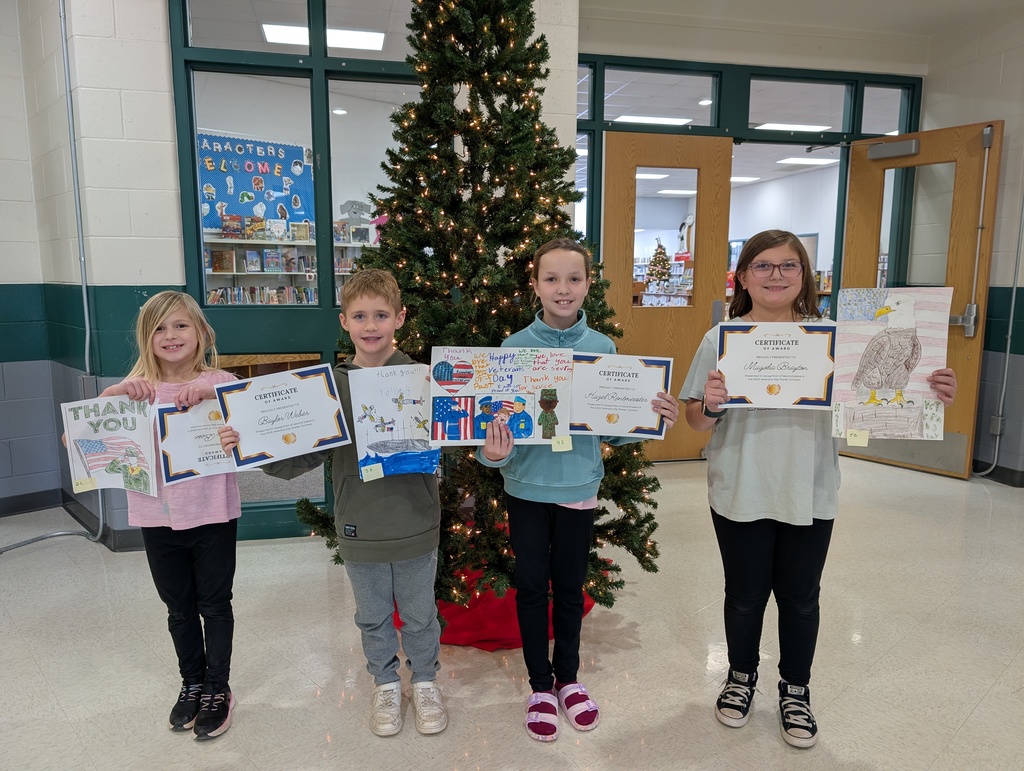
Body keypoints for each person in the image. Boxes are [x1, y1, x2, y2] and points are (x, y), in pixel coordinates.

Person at [679, 229, 958, 748]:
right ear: (742, 277)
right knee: (743, 598)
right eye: (763, 266)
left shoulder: (835, 338)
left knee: (801, 598)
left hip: (811, 487)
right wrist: (713, 403)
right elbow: (696, 420)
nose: (776, 275)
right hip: (740, 485)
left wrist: (928, 390)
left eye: (789, 266)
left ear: (804, 275)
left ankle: (795, 688)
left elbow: (877, 402)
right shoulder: (721, 338)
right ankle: (741, 677)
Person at [219, 269, 447, 738]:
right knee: (372, 614)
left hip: (416, 522)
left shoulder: (424, 379)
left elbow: (461, 437)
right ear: (344, 321)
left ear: (399, 318)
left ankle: (424, 681)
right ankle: (385, 683)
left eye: (381, 315)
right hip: (359, 526)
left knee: (422, 613)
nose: (370, 325)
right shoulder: (328, 389)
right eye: (359, 315)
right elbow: (302, 454)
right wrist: (253, 445)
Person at [478, 238, 680, 742]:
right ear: (535, 285)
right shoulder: (512, 350)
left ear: (589, 283)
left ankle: (568, 679)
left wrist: (646, 419)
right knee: (530, 589)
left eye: (573, 279)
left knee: (569, 589)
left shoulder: (603, 349)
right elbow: (491, 436)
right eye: (551, 279)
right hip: (525, 488)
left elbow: (607, 429)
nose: (562, 289)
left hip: (578, 489)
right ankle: (540, 686)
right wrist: (493, 454)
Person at [99, 290, 242, 740]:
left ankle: (218, 689)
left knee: (214, 605)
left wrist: (216, 393)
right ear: (146, 338)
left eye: (181, 325)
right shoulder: (131, 391)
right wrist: (115, 392)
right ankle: (193, 683)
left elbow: (259, 433)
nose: (171, 335)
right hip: (156, 517)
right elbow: (78, 443)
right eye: (159, 328)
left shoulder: (224, 381)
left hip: (213, 513)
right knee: (178, 608)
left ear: (201, 333)